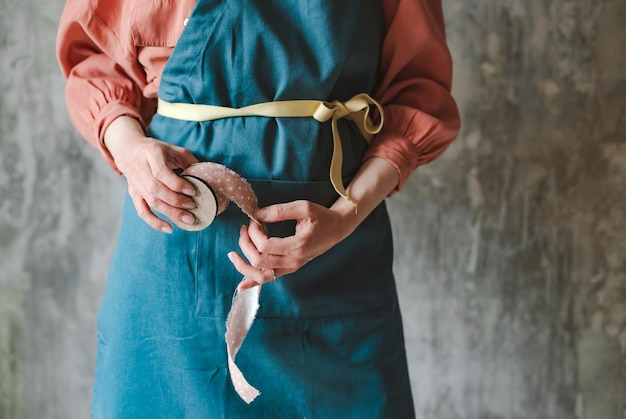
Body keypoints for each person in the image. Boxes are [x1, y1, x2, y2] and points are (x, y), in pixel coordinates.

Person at [57, 0, 460, 417]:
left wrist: (344, 217)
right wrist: (130, 149)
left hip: (337, 256)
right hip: (174, 256)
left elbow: (417, 91)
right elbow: (96, 55)